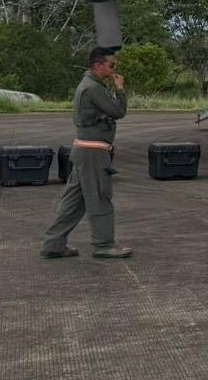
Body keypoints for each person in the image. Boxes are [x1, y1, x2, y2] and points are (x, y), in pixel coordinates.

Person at [41, 47, 131, 259]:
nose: (113, 70)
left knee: (73, 202)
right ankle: (103, 245)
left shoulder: (89, 85)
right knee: (100, 197)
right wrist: (120, 89)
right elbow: (118, 112)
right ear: (98, 65)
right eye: (111, 66)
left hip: (84, 150)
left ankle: (53, 244)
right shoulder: (93, 88)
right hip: (94, 153)